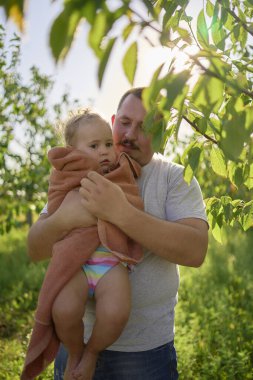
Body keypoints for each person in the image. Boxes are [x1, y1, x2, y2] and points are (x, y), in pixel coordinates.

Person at [27, 87, 209, 380]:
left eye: (145, 126)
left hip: (145, 352)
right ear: (113, 120)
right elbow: (35, 249)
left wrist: (120, 212)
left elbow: (196, 251)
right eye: (124, 122)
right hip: (74, 336)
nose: (129, 134)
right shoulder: (79, 171)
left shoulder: (174, 177)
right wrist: (62, 220)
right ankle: (81, 354)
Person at [21, 109, 143, 380]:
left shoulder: (121, 171)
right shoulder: (64, 176)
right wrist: (66, 217)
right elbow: (54, 209)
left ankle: (92, 353)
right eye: (94, 146)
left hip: (109, 260)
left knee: (116, 312)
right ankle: (75, 351)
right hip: (75, 262)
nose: (104, 151)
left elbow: (132, 200)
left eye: (108, 144)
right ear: (71, 152)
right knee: (62, 310)